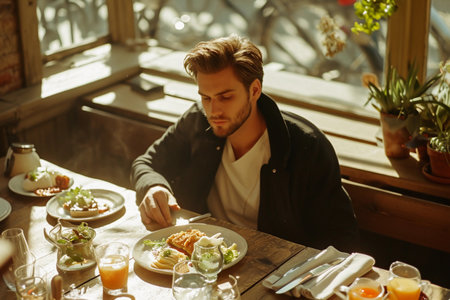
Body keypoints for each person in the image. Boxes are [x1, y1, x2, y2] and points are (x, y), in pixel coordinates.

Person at [131, 34, 359, 251]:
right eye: (205, 97)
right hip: (204, 259)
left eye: (226, 97)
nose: (213, 110)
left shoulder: (306, 147)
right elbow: (146, 163)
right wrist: (153, 187)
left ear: (254, 90)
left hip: (278, 273)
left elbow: (341, 238)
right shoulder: (198, 121)